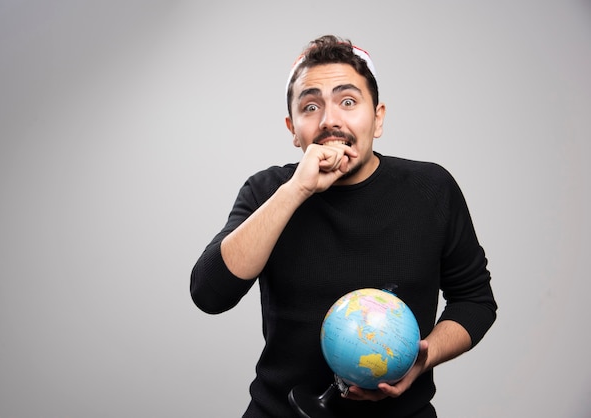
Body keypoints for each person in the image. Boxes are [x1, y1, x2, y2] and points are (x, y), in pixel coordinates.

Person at [190, 35, 497, 417]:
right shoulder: (267, 191)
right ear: (292, 129)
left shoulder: (431, 189)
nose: (330, 120)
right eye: (311, 106)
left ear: (378, 118)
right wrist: (297, 189)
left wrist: (424, 359)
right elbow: (209, 293)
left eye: (348, 102)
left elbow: (475, 300)